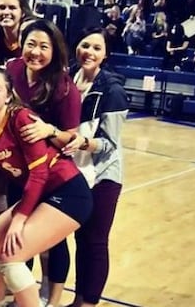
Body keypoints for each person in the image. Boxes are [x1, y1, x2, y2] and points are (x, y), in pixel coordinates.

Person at [0, 68, 92, 307]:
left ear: (8, 96)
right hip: (40, 196)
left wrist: (19, 220)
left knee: (12, 258)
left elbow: (39, 173)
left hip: (68, 193)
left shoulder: (21, 118)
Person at [5, 19, 81, 306]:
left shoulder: (64, 88)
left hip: (51, 176)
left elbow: (71, 141)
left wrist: (49, 130)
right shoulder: (12, 71)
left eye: (43, 47)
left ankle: (54, 296)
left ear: (55, 51)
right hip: (17, 171)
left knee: (53, 240)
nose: (35, 52)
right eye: (31, 44)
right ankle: (22, 293)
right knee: (20, 234)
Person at [63, 27, 128, 307]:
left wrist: (83, 143)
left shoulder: (112, 90)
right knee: (79, 237)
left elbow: (110, 144)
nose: (88, 52)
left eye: (96, 48)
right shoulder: (66, 80)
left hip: (103, 175)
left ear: (105, 55)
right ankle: (78, 299)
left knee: (96, 240)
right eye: (85, 45)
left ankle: (89, 303)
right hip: (74, 173)